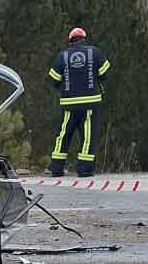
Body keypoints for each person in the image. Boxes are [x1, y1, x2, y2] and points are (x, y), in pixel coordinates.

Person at [47, 27, 110, 178]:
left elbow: (54, 79)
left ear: (70, 41)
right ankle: (84, 170)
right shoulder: (95, 52)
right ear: (84, 38)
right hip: (91, 102)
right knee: (88, 136)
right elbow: (104, 73)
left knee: (63, 134)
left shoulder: (62, 55)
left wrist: (65, 88)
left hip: (68, 103)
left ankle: (56, 168)